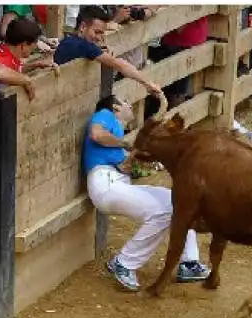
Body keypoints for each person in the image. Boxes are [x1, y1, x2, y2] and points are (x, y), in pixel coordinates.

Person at [84, 95, 210, 291]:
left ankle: (190, 263)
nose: (130, 105)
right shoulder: (107, 114)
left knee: (179, 202)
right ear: (116, 107)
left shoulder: (116, 131)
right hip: (105, 183)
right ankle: (124, 263)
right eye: (126, 102)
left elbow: (123, 165)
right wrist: (127, 145)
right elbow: (96, 134)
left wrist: (133, 160)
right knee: (160, 212)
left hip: (116, 182)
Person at [53, 5, 162, 97]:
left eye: (102, 33)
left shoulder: (73, 42)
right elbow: (120, 65)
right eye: (96, 32)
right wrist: (148, 83)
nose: (99, 38)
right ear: (82, 27)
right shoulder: (81, 45)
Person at [0, 17, 54, 102]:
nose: (35, 46)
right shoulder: (3, 58)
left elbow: (13, 69)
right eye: (35, 43)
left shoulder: (5, 51)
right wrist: (26, 80)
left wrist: (36, 65)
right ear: (24, 45)